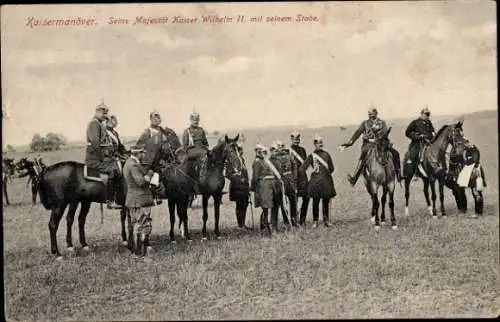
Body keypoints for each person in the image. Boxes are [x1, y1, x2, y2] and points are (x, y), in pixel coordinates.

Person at [341, 107, 401, 186]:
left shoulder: (382, 123)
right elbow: (357, 133)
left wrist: (383, 140)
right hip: (368, 144)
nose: (370, 115)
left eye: (372, 113)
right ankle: (354, 178)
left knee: (395, 153)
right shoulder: (365, 123)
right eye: (369, 113)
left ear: (376, 113)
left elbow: (385, 133)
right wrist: (350, 143)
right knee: (363, 157)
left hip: (380, 143)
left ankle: (399, 175)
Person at [123, 144, 157, 258]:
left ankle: (136, 253)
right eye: (143, 153)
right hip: (139, 200)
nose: (144, 155)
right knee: (144, 226)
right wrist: (150, 175)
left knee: (137, 226)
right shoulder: (133, 165)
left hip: (134, 199)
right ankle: (140, 255)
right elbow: (141, 182)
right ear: (138, 153)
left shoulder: (130, 163)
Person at [84, 101, 117, 209]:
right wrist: (102, 159)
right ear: (97, 112)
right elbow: (95, 144)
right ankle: (110, 200)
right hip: (94, 158)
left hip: (100, 157)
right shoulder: (94, 124)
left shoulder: (99, 124)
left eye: (106, 114)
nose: (105, 117)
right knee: (112, 170)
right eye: (103, 114)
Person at [300, 136, 336, 228]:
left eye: (321, 143)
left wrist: (324, 174)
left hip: (326, 181)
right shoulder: (312, 156)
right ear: (314, 145)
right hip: (316, 182)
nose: (319, 144)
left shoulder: (327, 154)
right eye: (317, 143)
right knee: (315, 201)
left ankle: (326, 220)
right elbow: (302, 168)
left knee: (325, 201)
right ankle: (315, 221)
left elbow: (332, 168)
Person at [250, 144, 282, 235]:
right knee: (266, 208)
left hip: (271, 186)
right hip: (263, 186)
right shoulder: (257, 162)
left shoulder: (265, 161)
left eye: (263, 151)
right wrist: (252, 188)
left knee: (272, 206)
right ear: (256, 152)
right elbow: (255, 177)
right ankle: (265, 229)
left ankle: (272, 227)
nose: (262, 153)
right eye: (259, 151)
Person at [402, 107, 438, 178]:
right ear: (422, 114)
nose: (427, 116)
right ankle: (414, 171)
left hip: (428, 142)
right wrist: (417, 137)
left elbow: (433, 131)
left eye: (428, 114)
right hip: (418, 142)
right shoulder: (415, 122)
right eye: (426, 114)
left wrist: (432, 135)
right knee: (414, 154)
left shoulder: (429, 122)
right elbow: (407, 132)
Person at [104, 115, 130, 208]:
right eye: (112, 121)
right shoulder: (103, 132)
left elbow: (120, 146)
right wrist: (120, 156)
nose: (114, 123)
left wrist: (128, 153)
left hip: (116, 156)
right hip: (107, 157)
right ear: (107, 122)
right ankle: (110, 200)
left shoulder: (115, 133)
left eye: (115, 122)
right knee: (115, 172)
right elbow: (108, 148)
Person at [182, 112, 209, 193]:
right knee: (203, 157)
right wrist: (190, 150)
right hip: (191, 152)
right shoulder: (187, 131)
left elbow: (205, 143)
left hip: (202, 151)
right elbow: (185, 146)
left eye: (197, 120)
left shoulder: (201, 130)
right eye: (194, 120)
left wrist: (206, 148)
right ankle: (200, 180)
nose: (196, 122)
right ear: (191, 120)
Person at [289, 131, 309, 226]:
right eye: (295, 139)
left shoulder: (303, 150)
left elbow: (305, 164)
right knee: (293, 200)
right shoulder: (288, 151)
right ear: (291, 139)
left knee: (306, 197)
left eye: (298, 139)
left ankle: (302, 219)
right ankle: (294, 221)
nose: (296, 141)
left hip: (303, 177)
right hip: (293, 178)